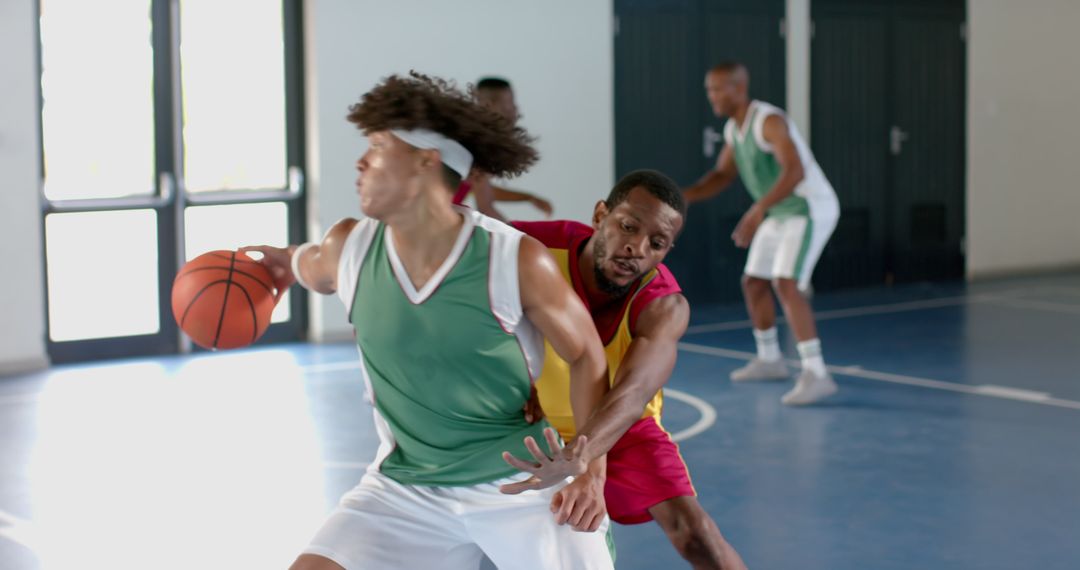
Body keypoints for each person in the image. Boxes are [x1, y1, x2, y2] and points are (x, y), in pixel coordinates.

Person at [245, 72, 616, 570]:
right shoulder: (349, 247)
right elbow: (305, 263)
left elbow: (586, 355)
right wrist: (281, 265)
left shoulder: (513, 260)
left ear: (425, 161)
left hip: (522, 484)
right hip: (404, 489)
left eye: (377, 146)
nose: (360, 161)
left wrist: (591, 469)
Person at [512, 170, 747, 569]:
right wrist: (514, 377)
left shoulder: (663, 306)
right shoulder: (533, 246)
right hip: (528, 422)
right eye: (627, 227)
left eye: (656, 244)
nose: (636, 248)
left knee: (694, 533)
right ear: (600, 214)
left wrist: (584, 462)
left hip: (620, 426)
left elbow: (632, 394)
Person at [684, 61, 840, 406]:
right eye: (709, 89)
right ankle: (770, 360)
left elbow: (795, 169)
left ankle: (817, 373)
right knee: (754, 281)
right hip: (778, 209)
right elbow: (722, 175)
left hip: (808, 206)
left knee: (786, 282)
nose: (711, 96)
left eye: (718, 88)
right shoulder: (733, 130)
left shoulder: (768, 121)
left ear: (739, 88)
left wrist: (757, 210)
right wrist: (685, 196)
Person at [452, 76, 554, 221]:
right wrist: (524, 241)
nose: (515, 109)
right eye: (510, 102)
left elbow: (481, 189)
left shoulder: (466, 135)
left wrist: (527, 198)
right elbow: (486, 208)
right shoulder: (479, 143)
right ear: (489, 104)